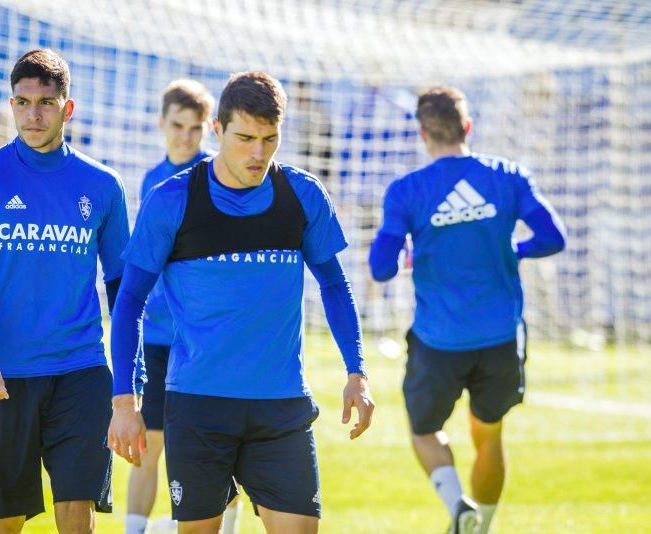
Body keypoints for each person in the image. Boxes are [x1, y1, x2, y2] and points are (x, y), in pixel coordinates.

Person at [108, 71, 375, 534]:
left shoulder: (302, 194)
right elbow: (130, 300)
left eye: (270, 139)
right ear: (218, 129)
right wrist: (123, 401)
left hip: (281, 406)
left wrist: (357, 371)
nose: (258, 154)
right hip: (198, 407)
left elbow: (334, 284)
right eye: (246, 138)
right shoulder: (172, 200)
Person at [0, 49, 130, 533]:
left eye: (45, 102)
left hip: (81, 372)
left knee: (77, 516)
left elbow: (122, 288)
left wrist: (129, 379)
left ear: (68, 108)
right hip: (3, 375)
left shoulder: (103, 186)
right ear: (10, 105)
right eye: (22, 103)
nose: (33, 115)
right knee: (4, 523)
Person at [369, 86, 566, 534]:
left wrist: (409, 252)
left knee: (424, 432)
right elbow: (554, 238)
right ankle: (482, 526)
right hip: (500, 338)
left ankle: (458, 506)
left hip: (438, 341)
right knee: (490, 433)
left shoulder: (407, 191)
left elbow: (381, 269)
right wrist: (512, 248)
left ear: (422, 133)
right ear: (468, 127)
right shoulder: (509, 176)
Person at [125, 79, 240, 534]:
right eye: (178, 125)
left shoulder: (216, 176)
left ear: (207, 131)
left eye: (195, 128)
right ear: (162, 122)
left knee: (212, 445)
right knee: (146, 444)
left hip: (203, 338)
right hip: (155, 335)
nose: (185, 136)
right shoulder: (151, 181)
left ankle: (226, 527)